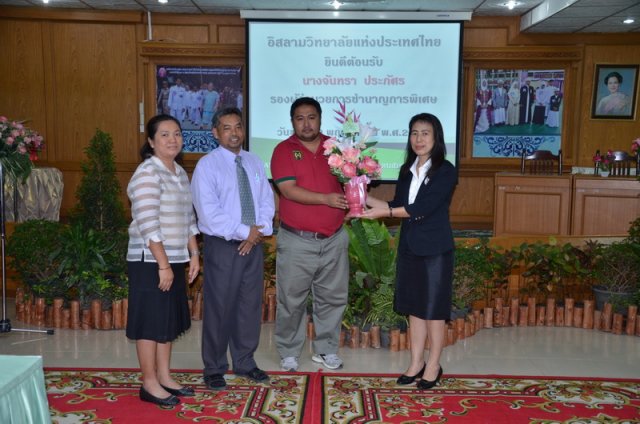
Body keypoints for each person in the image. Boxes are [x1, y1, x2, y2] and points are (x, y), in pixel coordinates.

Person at [361, 113, 457, 390]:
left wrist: (385, 211)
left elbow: (423, 208)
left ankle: (434, 364)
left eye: (425, 133)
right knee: (415, 308)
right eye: (414, 133)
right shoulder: (406, 169)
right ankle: (416, 363)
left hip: (435, 250)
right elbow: (398, 203)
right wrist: (360, 194)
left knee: (434, 311)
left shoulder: (445, 170)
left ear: (436, 137)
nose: (419, 139)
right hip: (410, 247)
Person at [191, 107, 275, 391]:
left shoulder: (253, 162)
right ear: (215, 133)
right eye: (227, 128)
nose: (234, 132)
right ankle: (214, 367)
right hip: (224, 245)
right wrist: (245, 232)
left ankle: (245, 362)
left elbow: (266, 200)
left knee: (249, 305)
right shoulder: (207, 166)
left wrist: (257, 231)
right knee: (220, 307)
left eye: (238, 126)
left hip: (253, 245)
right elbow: (208, 213)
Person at [126, 114, 201, 406]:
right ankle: (149, 383)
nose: (173, 140)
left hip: (174, 259)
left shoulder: (179, 173)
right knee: (149, 323)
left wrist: (193, 254)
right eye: (165, 135)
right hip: (150, 262)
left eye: (177, 134)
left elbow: (188, 219)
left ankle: (165, 377)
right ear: (151, 142)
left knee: (166, 321)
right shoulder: (148, 173)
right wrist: (163, 264)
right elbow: (147, 223)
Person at [270, 97, 349, 372]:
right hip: (296, 240)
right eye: (300, 118)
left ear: (320, 119)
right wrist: (326, 199)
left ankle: (326, 350)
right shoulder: (283, 150)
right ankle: (289, 351)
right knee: (291, 299)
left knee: (333, 298)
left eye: (311, 117)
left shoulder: (337, 149)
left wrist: (354, 201)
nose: (306, 123)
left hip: (334, 238)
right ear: (292, 122)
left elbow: (351, 183)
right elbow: (288, 190)